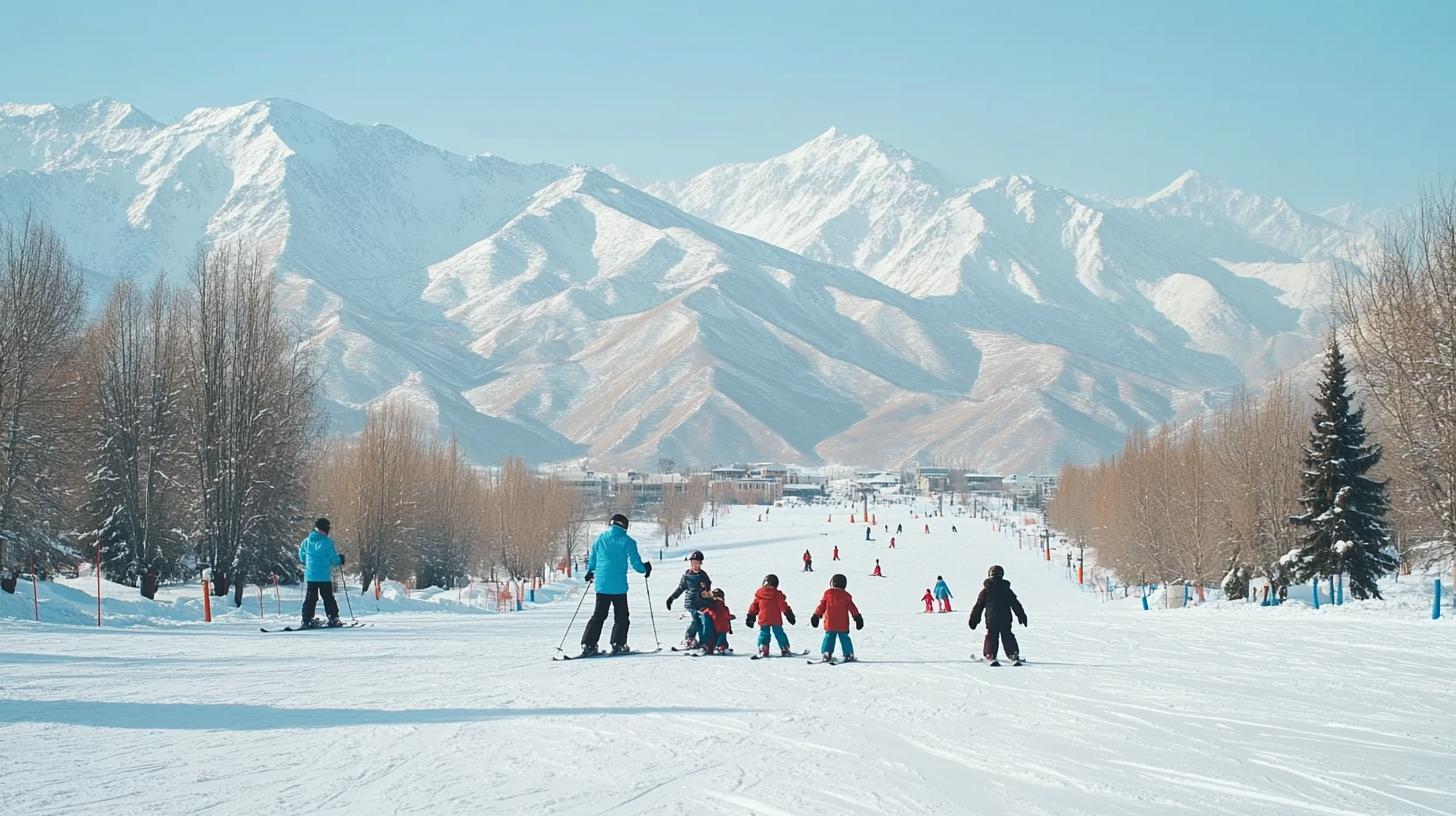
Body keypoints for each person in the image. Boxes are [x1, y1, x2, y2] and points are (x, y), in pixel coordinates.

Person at [579, 514, 652, 656]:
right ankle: (618, 644)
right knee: (621, 616)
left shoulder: (599, 539)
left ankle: (588, 644)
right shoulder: (628, 541)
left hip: (602, 585)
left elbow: (593, 559)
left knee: (598, 615)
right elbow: (636, 564)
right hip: (618, 586)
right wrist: (646, 568)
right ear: (624, 526)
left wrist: (590, 572)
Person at [970, 565, 1028, 665]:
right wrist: (1021, 615)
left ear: (990, 575)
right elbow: (1015, 604)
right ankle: (1013, 654)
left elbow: (978, 606)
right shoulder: (1006, 590)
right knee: (1007, 634)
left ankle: (990, 654)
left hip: (991, 619)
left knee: (992, 635)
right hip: (1006, 618)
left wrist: (974, 619)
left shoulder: (986, 591)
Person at [298, 518, 344, 628]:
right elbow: (334, 560)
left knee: (310, 598)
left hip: (311, 576)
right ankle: (333, 618)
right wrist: (340, 560)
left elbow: (302, 556)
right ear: (325, 529)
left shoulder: (306, 541)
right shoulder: (327, 543)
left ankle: (307, 619)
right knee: (328, 598)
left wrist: (310, 563)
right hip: (324, 576)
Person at [665, 550, 711, 648]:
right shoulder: (687, 576)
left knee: (703, 622)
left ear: (700, 563)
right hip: (690, 603)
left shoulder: (703, 576)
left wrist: (709, 596)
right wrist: (671, 598)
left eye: (696, 563)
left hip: (701, 603)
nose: (694, 565)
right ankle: (689, 639)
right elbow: (680, 588)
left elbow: (708, 590)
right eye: (692, 563)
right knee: (695, 621)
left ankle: (704, 641)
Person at [811, 574, 862, 662]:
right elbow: (853, 608)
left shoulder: (828, 593)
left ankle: (827, 653)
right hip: (843, 624)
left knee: (829, 637)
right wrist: (858, 618)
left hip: (830, 623)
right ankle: (849, 654)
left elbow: (821, 606)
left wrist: (816, 615)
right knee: (844, 638)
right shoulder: (846, 596)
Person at [746, 573, 797, 657]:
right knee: (779, 633)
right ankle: (784, 648)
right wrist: (789, 614)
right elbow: (783, 605)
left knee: (764, 633)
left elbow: (754, 606)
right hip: (775, 619)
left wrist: (751, 616)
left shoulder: (760, 594)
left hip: (764, 618)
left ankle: (763, 647)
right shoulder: (777, 594)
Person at [699, 587, 735, 654]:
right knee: (722, 638)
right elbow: (726, 615)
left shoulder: (712, 606)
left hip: (715, 627)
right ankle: (722, 647)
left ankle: (710, 647)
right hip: (723, 627)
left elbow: (707, 612)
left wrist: (701, 612)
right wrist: (731, 617)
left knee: (712, 637)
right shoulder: (724, 607)